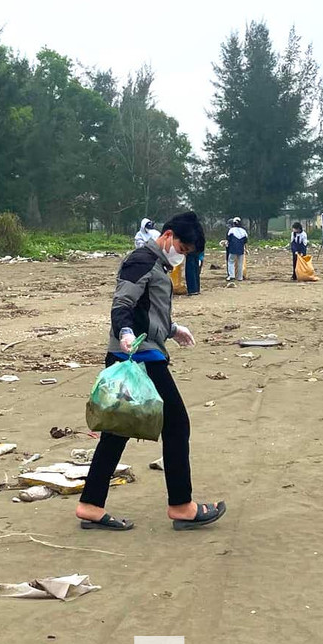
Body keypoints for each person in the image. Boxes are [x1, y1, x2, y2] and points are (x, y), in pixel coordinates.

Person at [76, 211, 225, 532]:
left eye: (186, 253)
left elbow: (149, 309)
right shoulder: (141, 260)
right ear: (168, 235)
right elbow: (122, 303)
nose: (181, 256)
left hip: (140, 351)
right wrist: (125, 331)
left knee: (118, 428)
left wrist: (172, 329)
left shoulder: (156, 264)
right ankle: (181, 506)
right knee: (176, 425)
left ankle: (90, 505)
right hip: (139, 356)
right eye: (182, 249)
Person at [224, 217, 248, 282]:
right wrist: (246, 249)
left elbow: (228, 239)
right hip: (241, 250)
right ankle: (240, 277)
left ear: (234, 223)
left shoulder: (231, 230)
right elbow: (245, 241)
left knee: (231, 262)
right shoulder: (244, 231)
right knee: (240, 263)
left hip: (233, 249)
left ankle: (232, 276)